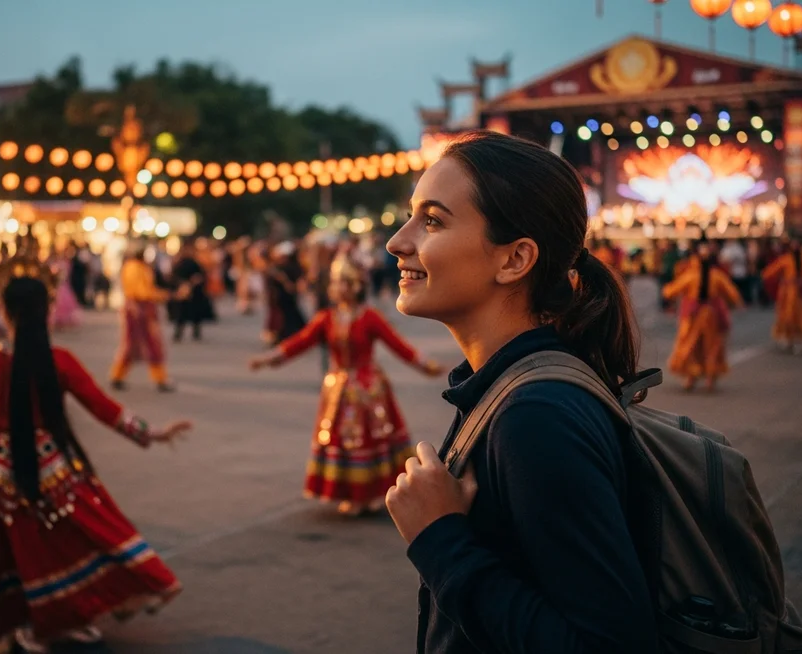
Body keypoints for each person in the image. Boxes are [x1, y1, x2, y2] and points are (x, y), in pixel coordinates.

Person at [383, 131, 655, 653]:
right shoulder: (511, 389)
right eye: (412, 215)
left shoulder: (537, 416)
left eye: (433, 220)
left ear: (515, 260)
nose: (398, 241)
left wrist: (439, 538)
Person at [0, 272, 191, 653]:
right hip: (54, 469)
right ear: (46, 313)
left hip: (1, 476)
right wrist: (152, 433)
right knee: (74, 540)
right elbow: (103, 408)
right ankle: (61, 619)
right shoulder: (59, 361)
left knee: (18, 553)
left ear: (4, 312)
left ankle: (36, 621)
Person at [249, 255, 442, 516]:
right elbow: (300, 342)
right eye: (336, 282)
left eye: (345, 283)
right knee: (343, 442)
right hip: (338, 390)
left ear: (355, 286)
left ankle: (376, 492)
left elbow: (398, 345)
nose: (339, 288)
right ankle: (352, 494)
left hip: (368, 390)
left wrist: (427, 365)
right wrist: (268, 359)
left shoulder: (370, 317)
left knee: (371, 441)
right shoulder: (326, 318)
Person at [663, 239, 744, 392]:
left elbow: (672, 290)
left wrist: (668, 291)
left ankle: (707, 377)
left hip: (704, 317)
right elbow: (675, 288)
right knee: (696, 346)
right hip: (697, 316)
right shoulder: (698, 275)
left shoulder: (706, 275)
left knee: (706, 347)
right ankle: (693, 377)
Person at [110, 247, 182, 392]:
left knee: (135, 344)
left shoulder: (134, 267)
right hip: (139, 310)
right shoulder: (135, 268)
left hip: (139, 309)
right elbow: (143, 292)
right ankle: (158, 379)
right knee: (148, 343)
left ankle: (118, 376)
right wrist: (168, 295)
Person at [762, 240, 802, 354]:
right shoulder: (786, 260)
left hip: (801, 293)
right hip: (789, 294)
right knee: (787, 316)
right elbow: (770, 272)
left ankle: (800, 340)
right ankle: (788, 338)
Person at [262, 242, 307, 345]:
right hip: (279, 296)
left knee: (289, 316)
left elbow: (298, 282)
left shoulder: (293, 267)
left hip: (287, 296)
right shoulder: (277, 267)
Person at [170, 240, 214, 342]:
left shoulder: (194, 262)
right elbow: (174, 277)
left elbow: (201, 275)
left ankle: (195, 333)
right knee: (181, 314)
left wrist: (196, 281)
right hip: (184, 291)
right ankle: (179, 333)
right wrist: (183, 284)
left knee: (195, 315)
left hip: (195, 293)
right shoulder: (179, 263)